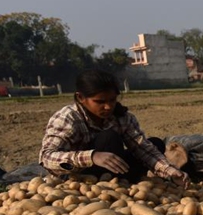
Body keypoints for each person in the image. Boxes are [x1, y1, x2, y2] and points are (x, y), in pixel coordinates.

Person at [39, 69, 190, 187]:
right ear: (80, 98)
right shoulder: (67, 118)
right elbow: (46, 157)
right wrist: (91, 156)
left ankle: (123, 183)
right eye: (100, 101)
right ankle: (115, 182)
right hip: (79, 176)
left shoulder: (122, 117)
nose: (108, 106)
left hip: (115, 173)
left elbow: (143, 148)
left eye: (112, 100)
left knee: (155, 144)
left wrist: (170, 171)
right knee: (108, 138)